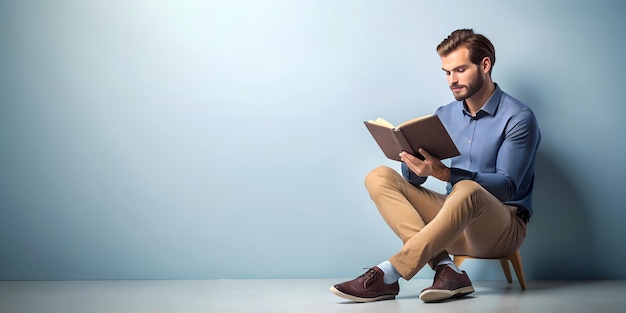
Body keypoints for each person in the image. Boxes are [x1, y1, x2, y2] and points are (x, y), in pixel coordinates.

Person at [330, 28, 541, 303]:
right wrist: (411, 162)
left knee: (466, 188)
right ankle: (446, 268)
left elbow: (508, 187)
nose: (452, 80)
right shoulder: (445, 114)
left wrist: (446, 173)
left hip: (502, 228)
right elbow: (420, 178)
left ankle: (389, 273)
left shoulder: (518, 118)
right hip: (449, 223)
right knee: (378, 176)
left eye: (460, 70)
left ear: (485, 65)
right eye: (446, 72)